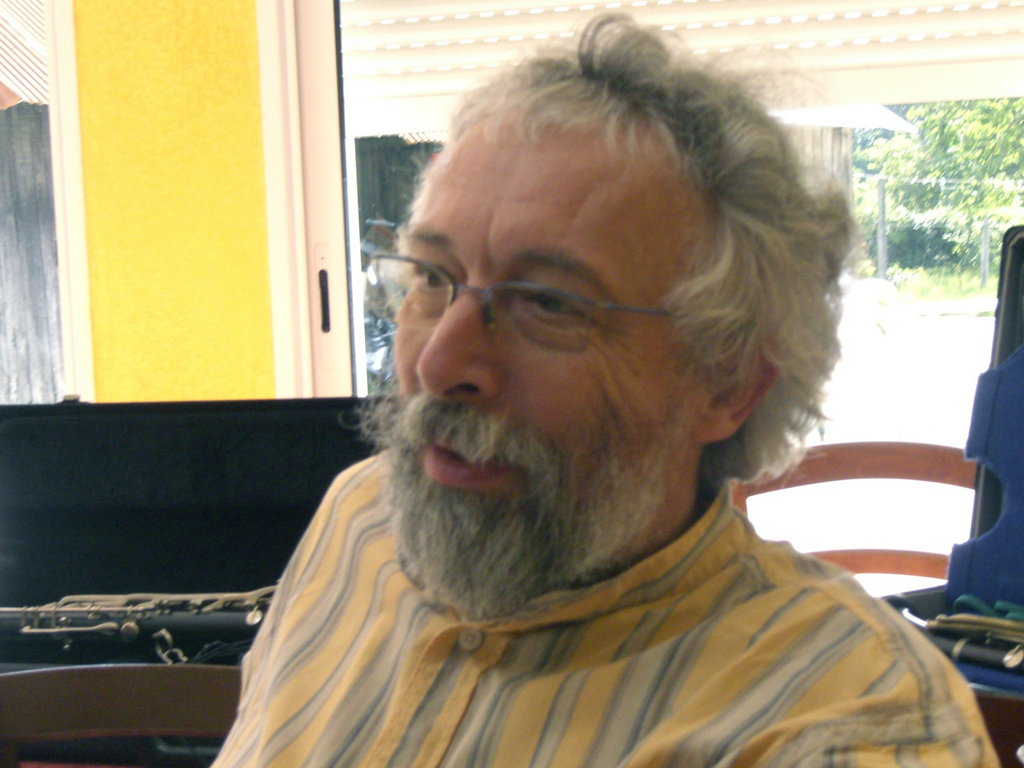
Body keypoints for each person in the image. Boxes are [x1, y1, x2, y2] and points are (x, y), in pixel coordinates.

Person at [213, 14, 996, 768]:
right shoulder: (362, 518)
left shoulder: (845, 719)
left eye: (549, 303)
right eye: (430, 277)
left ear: (727, 383)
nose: (439, 363)